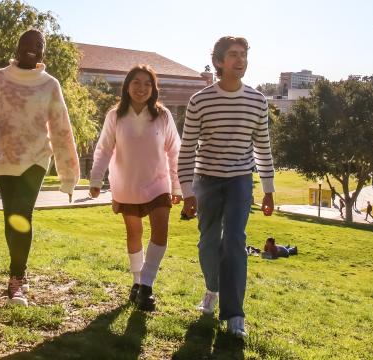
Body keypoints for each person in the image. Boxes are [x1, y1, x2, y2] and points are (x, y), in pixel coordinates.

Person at [0, 29, 80, 307]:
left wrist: (68, 176)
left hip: (36, 159)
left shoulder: (50, 84)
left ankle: (16, 279)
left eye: (38, 45)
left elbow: (60, 128)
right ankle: (17, 272)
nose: (31, 48)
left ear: (43, 52)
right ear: (18, 47)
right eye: (26, 43)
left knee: (23, 214)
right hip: (4, 158)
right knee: (11, 217)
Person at [178, 36, 275, 339]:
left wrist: (268, 189)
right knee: (208, 244)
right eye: (233, 55)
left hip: (239, 181)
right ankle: (211, 290)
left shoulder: (257, 100)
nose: (240, 59)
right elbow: (187, 148)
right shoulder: (200, 101)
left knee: (234, 240)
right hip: (206, 180)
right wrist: (187, 191)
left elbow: (263, 147)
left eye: (244, 54)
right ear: (219, 62)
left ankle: (235, 315)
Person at [89, 65, 181, 311]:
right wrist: (96, 179)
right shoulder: (115, 116)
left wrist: (178, 185)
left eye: (147, 84)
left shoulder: (163, 116)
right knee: (134, 234)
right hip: (126, 184)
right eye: (136, 83)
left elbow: (175, 151)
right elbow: (104, 148)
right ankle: (137, 281)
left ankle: (147, 286)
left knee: (160, 232)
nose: (141, 88)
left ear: (154, 89)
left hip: (158, 183)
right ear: (127, 86)